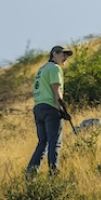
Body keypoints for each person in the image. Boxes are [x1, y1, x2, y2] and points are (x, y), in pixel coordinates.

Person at [27, 45, 73, 176]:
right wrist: (62, 110)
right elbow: (56, 89)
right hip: (50, 108)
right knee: (54, 142)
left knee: (42, 143)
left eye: (66, 56)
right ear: (54, 54)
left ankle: (31, 173)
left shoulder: (41, 69)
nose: (65, 58)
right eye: (63, 55)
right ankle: (54, 173)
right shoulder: (55, 68)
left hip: (38, 107)